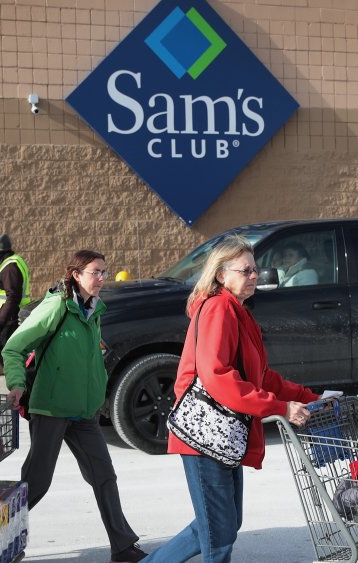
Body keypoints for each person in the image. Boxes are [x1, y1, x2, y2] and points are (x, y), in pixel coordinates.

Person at [144, 236, 320, 563]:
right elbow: (217, 377)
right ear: (222, 275)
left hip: (223, 435)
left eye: (256, 269)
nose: (255, 276)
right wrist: (280, 408)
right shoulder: (218, 309)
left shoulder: (238, 312)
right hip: (205, 435)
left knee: (220, 524)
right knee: (219, 533)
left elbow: (262, 377)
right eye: (246, 270)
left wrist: (309, 397)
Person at [3, 250, 147, 563]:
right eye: (95, 272)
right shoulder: (57, 306)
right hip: (51, 409)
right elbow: (14, 347)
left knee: (104, 477)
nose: (101, 279)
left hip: (84, 413)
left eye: (104, 272)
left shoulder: (94, 309)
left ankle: (123, 547)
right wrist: (17, 384)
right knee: (36, 484)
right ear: (76, 275)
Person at [0, 234, 32, 366]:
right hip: (10, 317)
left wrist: (0, 322)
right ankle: (23, 382)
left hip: (10, 319)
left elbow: (13, 296)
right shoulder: (10, 263)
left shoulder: (9, 268)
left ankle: (22, 383)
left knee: (2, 351)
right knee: (12, 353)